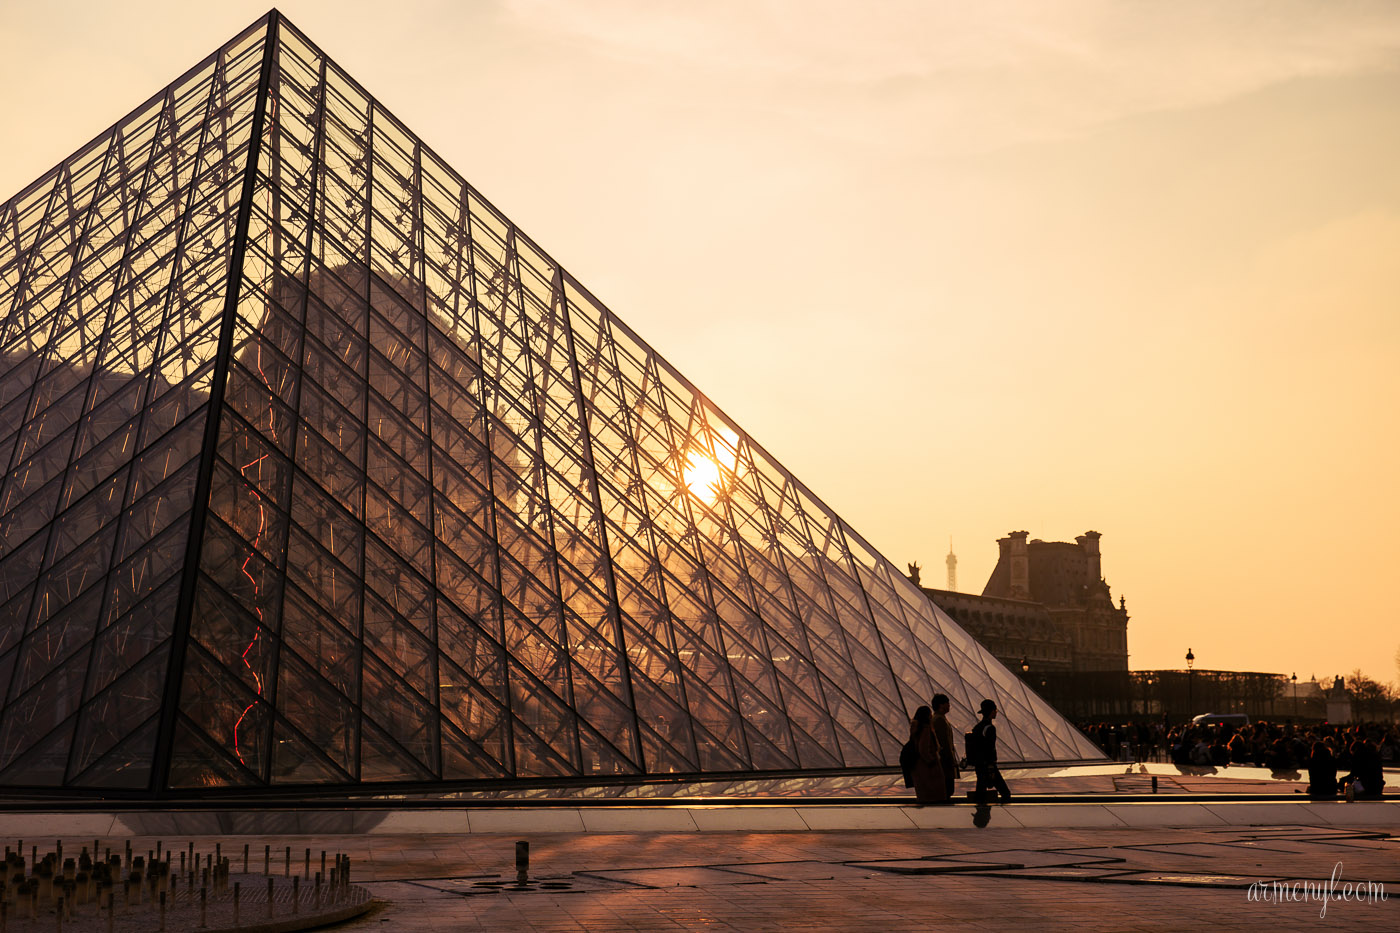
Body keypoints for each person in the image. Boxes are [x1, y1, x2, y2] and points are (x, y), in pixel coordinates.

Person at [970, 699, 1010, 804]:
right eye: (995, 710)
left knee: (980, 793)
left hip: (979, 764)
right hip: (988, 765)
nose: (996, 712)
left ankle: (980, 816)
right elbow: (990, 748)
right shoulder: (990, 728)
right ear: (992, 711)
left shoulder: (977, 727)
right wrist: (991, 765)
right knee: (1005, 792)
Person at [909, 706, 948, 804]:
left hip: (918, 765)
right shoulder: (925, 729)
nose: (931, 716)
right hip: (927, 767)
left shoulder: (915, 728)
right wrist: (931, 761)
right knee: (934, 795)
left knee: (924, 795)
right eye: (930, 714)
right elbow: (923, 748)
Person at [930, 694, 959, 800]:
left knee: (946, 790)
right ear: (941, 705)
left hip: (942, 760)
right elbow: (945, 743)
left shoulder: (937, 718)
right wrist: (952, 760)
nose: (949, 706)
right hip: (945, 762)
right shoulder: (940, 720)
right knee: (947, 789)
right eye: (947, 703)